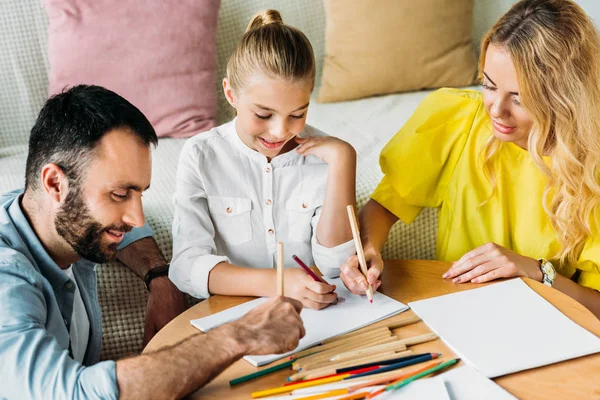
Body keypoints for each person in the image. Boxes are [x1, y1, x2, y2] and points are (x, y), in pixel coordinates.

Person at [0, 85, 306, 399]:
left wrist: (159, 275)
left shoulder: (40, 212)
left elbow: (125, 227)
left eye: (140, 193)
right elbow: (75, 394)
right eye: (120, 194)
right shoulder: (7, 281)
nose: (138, 218)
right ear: (54, 183)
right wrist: (240, 335)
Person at [340, 0, 600, 319]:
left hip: (546, 321)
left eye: (519, 98)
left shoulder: (591, 171)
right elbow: (387, 202)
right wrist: (369, 250)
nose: (495, 109)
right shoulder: (458, 120)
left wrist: (535, 272)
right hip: (454, 310)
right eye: (489, 85)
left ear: (564, 97)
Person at [170, 10, 357, 310]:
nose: (280, 131)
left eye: (297, 115)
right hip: (234, 317)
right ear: (231, 94)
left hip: (315, 318)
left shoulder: (324, 156)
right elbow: (185, 267)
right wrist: (279, 282)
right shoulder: (201, 155)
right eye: (263, 114)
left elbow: (335, 265)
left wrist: (343, 160)